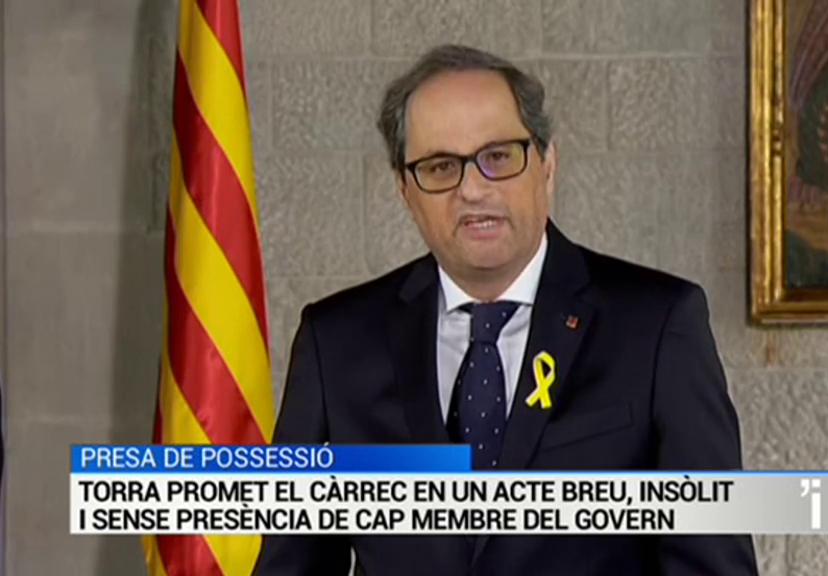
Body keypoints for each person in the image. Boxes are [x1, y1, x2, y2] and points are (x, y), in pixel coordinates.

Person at [255, 44, 757, 576]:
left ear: (547, 164)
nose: (472, 190)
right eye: (440, 166)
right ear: (404, 189)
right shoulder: (334, 343)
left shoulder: (658, 327)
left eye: (498, 157)